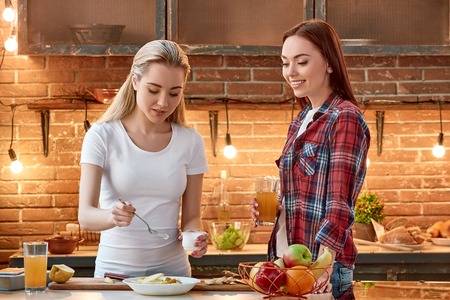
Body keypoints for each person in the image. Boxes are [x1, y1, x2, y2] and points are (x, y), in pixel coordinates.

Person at [252, 19, 370, 298]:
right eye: (285, 62)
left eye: (301, 62)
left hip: (319, 271)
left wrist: (320, 271)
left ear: (329, 62)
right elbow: (303, 195)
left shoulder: (345, 117)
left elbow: (340, 204)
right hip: (287, 264)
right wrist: (276, 207)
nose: (290, 72)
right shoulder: (302, 118)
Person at [78, 40, 209, 278]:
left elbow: (191, 217)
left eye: (174, 93)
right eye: (153, 90)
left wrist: (196, 236)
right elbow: (85, 216)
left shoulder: (190, 141)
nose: (163, 102)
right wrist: (112, 216)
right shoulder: (102, 135)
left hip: (173, 277)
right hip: (116, 277)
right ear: (135, 81)